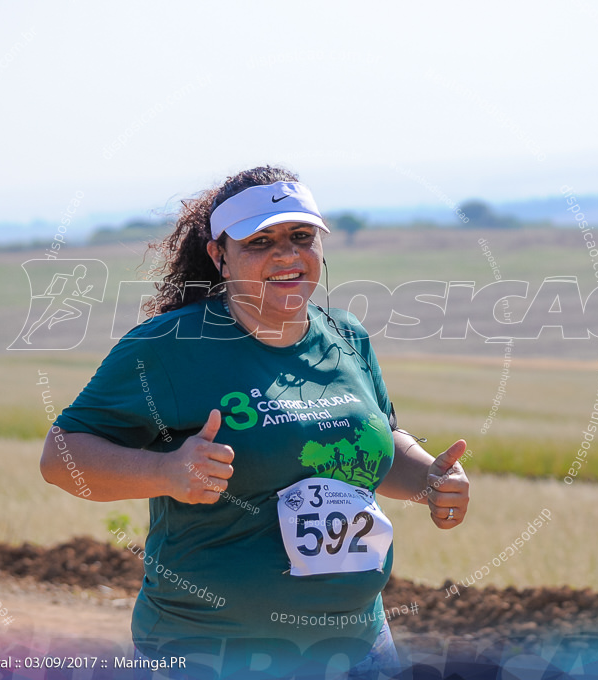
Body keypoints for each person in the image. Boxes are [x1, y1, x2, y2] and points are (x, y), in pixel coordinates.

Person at [40, 166, 470, 679]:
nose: (287, 255)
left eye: (301, 237)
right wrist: (168, 472)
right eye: (260, 242)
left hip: (360, 647)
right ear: (219, 256)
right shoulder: (168, 348)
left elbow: (376, 443)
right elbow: (60, 457)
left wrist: (429, 480)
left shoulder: (347, 337)